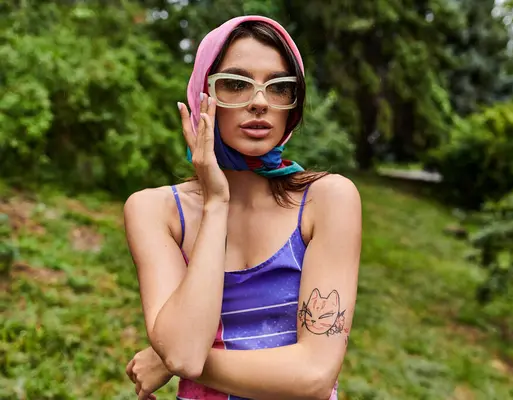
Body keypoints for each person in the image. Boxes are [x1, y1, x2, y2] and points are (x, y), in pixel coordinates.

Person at [123, 15, 362, 400]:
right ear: (203, 93)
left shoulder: (327, 200)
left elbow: (315, 376)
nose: (260, 102)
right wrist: (216, 202)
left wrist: (166, 357)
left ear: (293, 106)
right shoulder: (157, 211)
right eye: (236, 84)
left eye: (280, 87)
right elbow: (183, 351)